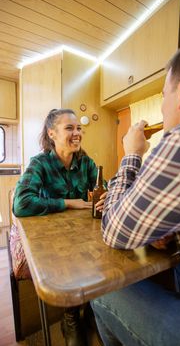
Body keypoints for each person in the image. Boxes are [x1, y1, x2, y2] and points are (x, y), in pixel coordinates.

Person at [91, 28, 180, 346]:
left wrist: (132, 154)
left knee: (103, 287)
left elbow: (115, 231)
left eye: (164, 96)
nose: (164, 108)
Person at [10, 108, 105, 346]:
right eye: (69, 128)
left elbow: (104, 188)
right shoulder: (40, 164)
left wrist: (106, 195)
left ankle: (93, 310)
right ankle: (70, 318)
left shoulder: (86, 163)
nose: (77, 133)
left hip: (83, 233)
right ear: (51, 133)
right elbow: (21, 204)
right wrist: (67, 203)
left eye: (79, 128)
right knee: (70, 260)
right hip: (53, 239)